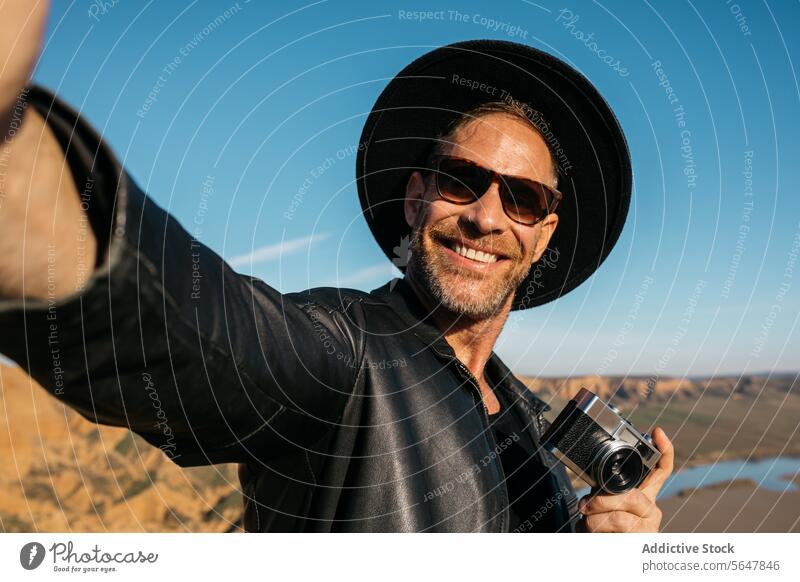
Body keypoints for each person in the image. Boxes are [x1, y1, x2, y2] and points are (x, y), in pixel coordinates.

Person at [0, 3, 672, 532]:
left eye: (522, 198)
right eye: (462, 181)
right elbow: (188, 327)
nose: (486, 217)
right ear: (416, 197)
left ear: (543, 232)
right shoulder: (344, 358)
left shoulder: (528, 428)